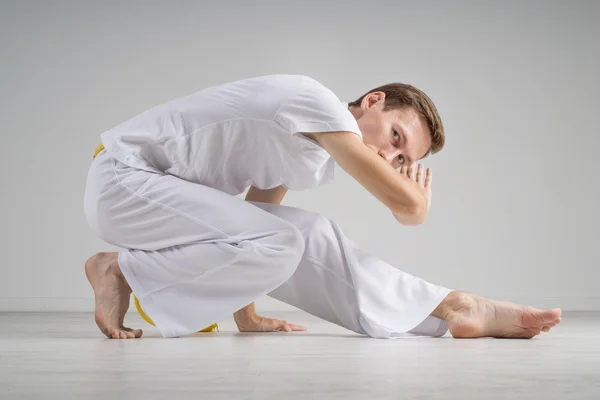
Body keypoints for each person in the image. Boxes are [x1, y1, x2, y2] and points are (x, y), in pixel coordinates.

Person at [83, 74, 561, 339]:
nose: (390, 158)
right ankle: (119, 270)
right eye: (395, 137)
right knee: (283, 240)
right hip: (123, 180)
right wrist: (415, 195)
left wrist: (244, 316)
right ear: (372, 101)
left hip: (155, 196)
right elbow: (409, 209)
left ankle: (448, 306)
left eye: (402, 158)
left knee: (302, 235)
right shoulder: (316, 103)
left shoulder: (309, 158)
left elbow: (256, 218)